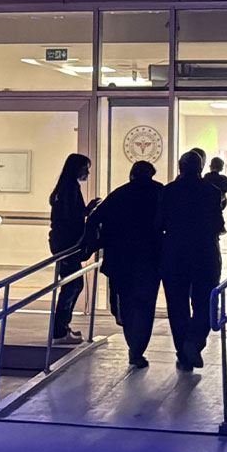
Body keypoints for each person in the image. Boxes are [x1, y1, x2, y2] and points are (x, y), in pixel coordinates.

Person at [84, 161, 164, 367]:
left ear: (132, 174)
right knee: (145, 306)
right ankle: (137, 349)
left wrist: (92, 245)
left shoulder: (120, 194)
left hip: (120, 259)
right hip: (150, 259)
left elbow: (94, 219)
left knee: (126, 304)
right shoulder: (159, 192)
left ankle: (133, 344)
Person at [159, 150, 226, 370]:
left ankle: (183, 352)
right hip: (205, 253)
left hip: (175, 253)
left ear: (180, 168)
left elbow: (159, 223)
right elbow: (218, 225)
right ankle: (194, 343)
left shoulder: (168, 191)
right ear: (200, 168)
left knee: (177, 304)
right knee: (205, 302)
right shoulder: (212, 192)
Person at [49, 153, 98, 345]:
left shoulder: (65, 188)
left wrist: (87, 210)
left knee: (73, 284)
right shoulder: (70, 188)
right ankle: (60, 330)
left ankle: (62, 327)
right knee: (72, 285)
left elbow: (70, 215)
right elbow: (71, 218)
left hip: (63, 243)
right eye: (86, 168)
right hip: (67, 244)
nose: (87, 172)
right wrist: (87, 213)